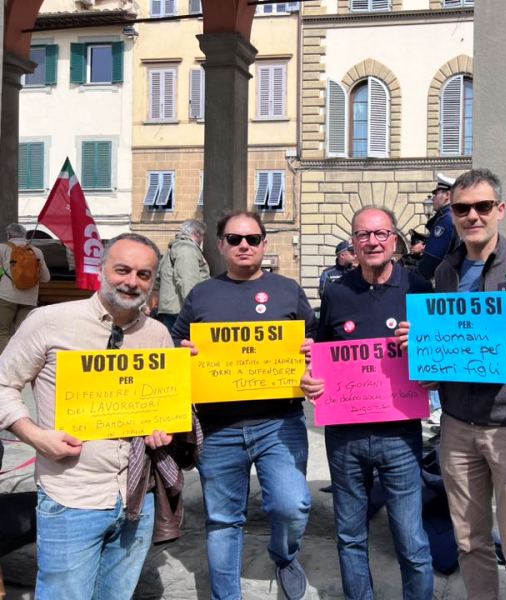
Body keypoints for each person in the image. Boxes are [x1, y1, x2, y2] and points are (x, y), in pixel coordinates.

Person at [397, 168, 506, 600]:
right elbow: (443, 345)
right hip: (455, 427)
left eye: (482, 206)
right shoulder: (445, 274)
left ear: (500, 210)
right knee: (470, 542)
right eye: (462, 208)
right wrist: (418, 344)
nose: (473, 215)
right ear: (451, 214)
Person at [0, 233, 185, 599]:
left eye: (144, 274)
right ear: (101, 270)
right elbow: (3, 384)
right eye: (123, 270)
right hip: (72, 497)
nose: (132, 281)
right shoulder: (49, 321)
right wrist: (36, 436)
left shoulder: (159, 335)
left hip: (136, 499)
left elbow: (162, 407)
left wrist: (163, 431)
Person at [172, 211, 316, 600]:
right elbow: (174, 346)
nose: (244, 246)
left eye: (252, 239)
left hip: (279, 422)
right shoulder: (201, 294)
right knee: (222, 520)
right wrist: (183, 353)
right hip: (218, 428)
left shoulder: (287, 289)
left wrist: (311, 353)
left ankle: (284, 555)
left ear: (264, 244)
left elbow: (316, 343)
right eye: (234, 239)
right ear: (220, 245)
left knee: (292, 504)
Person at [301, 206, 434, 600]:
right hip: (344, 437)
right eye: (363, 235)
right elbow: (322, 351)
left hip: (401, 434)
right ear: (353, 243)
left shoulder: (419, 288)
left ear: (395, 240)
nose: (372, 242)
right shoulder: (336, 290)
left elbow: (439, 358)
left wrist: (423, 353)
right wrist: (310, 375)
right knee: (350, 537)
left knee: (411, 541)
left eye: (380, 234)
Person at [0, 223, 51, 352]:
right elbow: (46, 278)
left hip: (6, 297)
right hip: (30, 298)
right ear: (24, 235)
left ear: (9, 235)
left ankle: (6, 361)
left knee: (2, 331)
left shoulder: (2, 248)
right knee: (23, 333)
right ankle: (21, 360)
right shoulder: (36, 251)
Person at [155, 219, 210, 330]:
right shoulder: (187, 249)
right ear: (197, 233)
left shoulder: (174, 248)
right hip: (180, 311)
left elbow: (158, 280)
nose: (202, 240)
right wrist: (195, 310)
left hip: (171, 309)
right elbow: (187, 281)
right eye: (202, 236)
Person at [418, 173, 459, 280]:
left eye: (436, 193)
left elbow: (432, 259)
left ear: (447, 195)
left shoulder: (446, 219)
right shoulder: (452, 215)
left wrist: (415, 274)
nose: (433, 198)